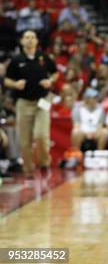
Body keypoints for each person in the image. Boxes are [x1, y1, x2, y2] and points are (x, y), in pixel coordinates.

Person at [4, 30, 58, 178]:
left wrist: (50, 81)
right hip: (23, 103)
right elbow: (6, 80)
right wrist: (15, 84)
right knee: (24, 140)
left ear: (37, 41)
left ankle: (44, 163)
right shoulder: (16, 60)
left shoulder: (43, 57)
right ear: (21, 41)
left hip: (43, 101)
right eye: (26, 37)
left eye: (32, 37)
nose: (30, 40)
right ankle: (28, 170)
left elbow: (55, 73)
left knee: (41, 135)